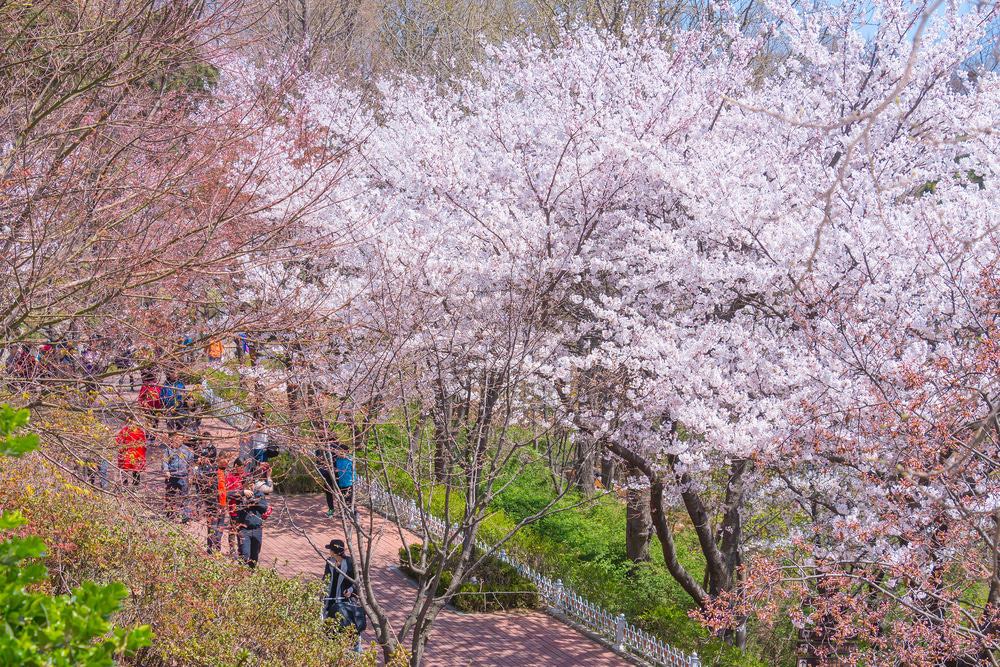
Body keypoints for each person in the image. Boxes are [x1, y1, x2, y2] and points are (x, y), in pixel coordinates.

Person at [322, 539, 366, 647]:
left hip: (346, 604)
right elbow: (326, 578)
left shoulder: (350, 563)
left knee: (348, 629)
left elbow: (358, 581)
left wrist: (350, 591)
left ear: (335, 552)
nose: (329, 552)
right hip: (330, 601)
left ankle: (355, 651)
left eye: (331, 550)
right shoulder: (329, 562)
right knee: (329, 629)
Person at [228, 479, 270, 568]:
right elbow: (227, 494)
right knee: (244, 554)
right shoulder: (240, 495)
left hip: (257, 529)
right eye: (247, 485)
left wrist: (254, 502)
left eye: (252, 484)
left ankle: (251, 575)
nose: (250, 486)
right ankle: (242, 574)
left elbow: (264, 508)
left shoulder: (259, 494)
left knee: (254, 556)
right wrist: (243, 492)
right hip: (244, 530)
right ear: (243, 485)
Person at [163, 433, 195, 522]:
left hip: (183, 477)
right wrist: (166, 471)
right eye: (176, 438)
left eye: (180, 438)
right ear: (173, 439)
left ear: (183, 439)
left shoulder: (187, 450)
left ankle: (185, 517)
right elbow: (165, 462)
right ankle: (169, 514)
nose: (177, 440)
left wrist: (191, 475)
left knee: (185, 496)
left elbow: (191, 464)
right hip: (172, 476)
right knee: (170, 495)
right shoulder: (168, 450)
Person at [115, 423, 147, 487]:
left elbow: (142, 443)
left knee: (134, 469)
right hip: (128, 452)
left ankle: (133, 484)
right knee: (125, 468)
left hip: (135, 453)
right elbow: (118, 440)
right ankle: (125, 484)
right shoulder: (126, 430)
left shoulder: (139, 431)